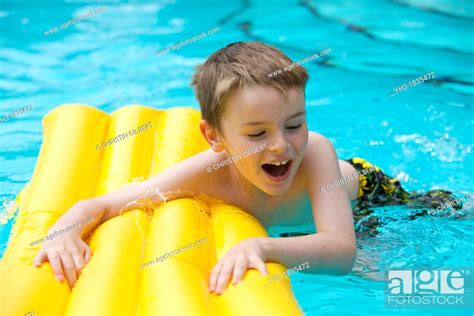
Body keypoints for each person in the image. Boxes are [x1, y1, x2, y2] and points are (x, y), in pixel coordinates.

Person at [33, 41, 459, 295]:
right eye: (256, 134)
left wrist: (263, 247)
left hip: (371, 198)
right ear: (214, 137)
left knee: (419, 253)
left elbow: (341, 251)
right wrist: (65, 230)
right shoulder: (207, 174)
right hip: (305, 227)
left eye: (295, 125)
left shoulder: (316, 154)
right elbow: (107, 203)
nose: (282, 145)